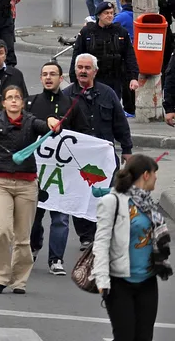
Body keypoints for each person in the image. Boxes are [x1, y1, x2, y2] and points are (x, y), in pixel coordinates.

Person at [0, 85, 56, 295]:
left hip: (27, 185)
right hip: (1, 183)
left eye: (17, 98)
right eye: (10, 98)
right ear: (3, 103)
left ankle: (19, 281)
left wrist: (53, 122)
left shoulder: (31, 122)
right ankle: (0, 276)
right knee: (3, 231)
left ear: (22, 103)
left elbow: (49, 128)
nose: (14, 101)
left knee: (23, 237)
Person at [93, 154, 169, 341]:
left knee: (144, 337)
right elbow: (101, 243)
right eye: (154, 173)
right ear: (145, 175)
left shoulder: (149, 204)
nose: (156, 177)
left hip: (148, 282)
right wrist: (102, 281)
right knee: (124, 336)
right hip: (120, 283)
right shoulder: (113, 202)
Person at [62, 53, 134, 250]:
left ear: (95, 71)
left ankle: (103, 233)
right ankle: (86, 235)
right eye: (80, 68)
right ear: (75, 70)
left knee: (106, 196)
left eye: (87, 68)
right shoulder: (67, 96)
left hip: (105, 158)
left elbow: (120, 123)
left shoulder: (108, 94)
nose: (83, 71)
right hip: (78, 159)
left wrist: (127, 149)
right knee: (80, 197)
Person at [26, 61, 85, 274]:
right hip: (36, 172)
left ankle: (56, 259)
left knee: (60, 217)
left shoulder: (72, 104)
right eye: (44, 74)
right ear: (40, 78)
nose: (48, 78)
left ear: (61, 79)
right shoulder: (30, 103)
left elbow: (83, 136)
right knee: (34, 216)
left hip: (62, 174)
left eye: (53, 74)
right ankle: (33, 246)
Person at [73, 1, 141, 116]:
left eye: (111, 13)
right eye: (106, 13)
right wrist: (74, 79)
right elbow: (77, 56)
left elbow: (129, 56)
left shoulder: (120, 32)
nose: (110, 16)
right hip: (94, 78)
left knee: (110, 109)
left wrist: (134, 77)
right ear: (99, 15)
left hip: (115, 78)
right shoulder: (87, 32)